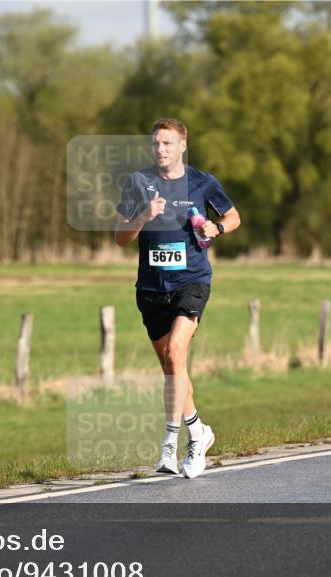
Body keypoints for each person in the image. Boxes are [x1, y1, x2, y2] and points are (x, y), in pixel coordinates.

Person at [114, 118, 241, 479]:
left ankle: (178, 443)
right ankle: (199, 432)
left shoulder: (203, 182)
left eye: (168, 144)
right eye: (156, 144)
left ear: (182, 146)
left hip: (192, 281)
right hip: (151, 288)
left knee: (175, 353)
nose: (161, 150)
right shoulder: (139, 182)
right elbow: (121, 238)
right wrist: (144, 215)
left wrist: (216, 227)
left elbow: (233, 217)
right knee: (173, 369)